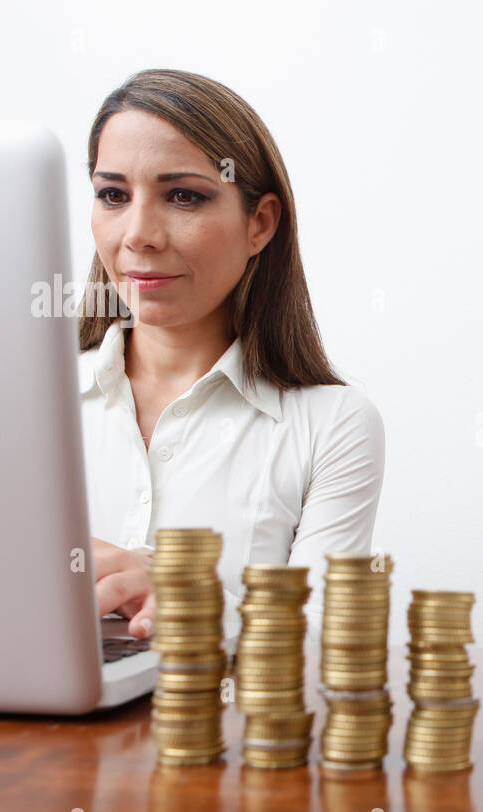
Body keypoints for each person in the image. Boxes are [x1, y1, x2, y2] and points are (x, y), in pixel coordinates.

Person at [77, 69, 385, 642]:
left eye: (183, 196)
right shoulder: (26, 402)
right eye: (113, 195)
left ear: (259, 224)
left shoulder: (332, 425)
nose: (138, 235)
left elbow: (322, 648)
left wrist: (194, 601)